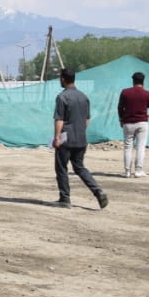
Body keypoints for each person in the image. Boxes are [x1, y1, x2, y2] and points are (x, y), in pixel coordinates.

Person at [52, 68, 108, 210]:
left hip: (66, 139)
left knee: (61, 168)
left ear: (63, 79)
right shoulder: (84, 97)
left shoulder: (62, 97)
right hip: (81, 138)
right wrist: (80, 131)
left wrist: (57, 137)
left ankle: (65, 198)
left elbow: (59, 119)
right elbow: (87, 120)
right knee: (79, 167)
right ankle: (98, 191)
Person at [116, 71, 149, 177]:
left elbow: (120, 107)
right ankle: (138, 170)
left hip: (128, 122)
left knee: (128, 147)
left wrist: (121, 119)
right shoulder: (148, 93)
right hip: (142, 122)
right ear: (143, 81)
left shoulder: (125, 92)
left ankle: (127, 171)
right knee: (141, 147)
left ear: (133, 81)